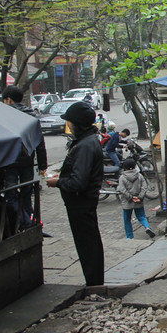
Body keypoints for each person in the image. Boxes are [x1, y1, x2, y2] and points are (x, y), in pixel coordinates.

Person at [45, 101, 105, 286]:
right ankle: (94, 281)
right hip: (81, 202)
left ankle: (94, 283)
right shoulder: (85, 142)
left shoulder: (85, 146)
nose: (68, 125)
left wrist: (58, 182)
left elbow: (78, 182)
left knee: (88, 244)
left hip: (81, 202)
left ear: (77, 123)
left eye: (69, 122)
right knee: (88, 242)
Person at [1, 86, 48, 229]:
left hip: (11, 162)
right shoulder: (31, 116)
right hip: (28, 161)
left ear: (8, 100)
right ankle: (29, 221)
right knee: (26, 193)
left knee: (11, 194)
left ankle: (25, 221)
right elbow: (39, 141)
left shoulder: (5, 115)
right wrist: (42, 165)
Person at [117, 157, 156, 240]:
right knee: (141, 216)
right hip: (139, 200)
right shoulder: (139, 175)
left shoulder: (122, 178)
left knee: (127, 220)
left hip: (127, 202)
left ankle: (130, 237)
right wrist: (140, 197)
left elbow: (122, 190)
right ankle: (147, 227)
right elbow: (144, 187)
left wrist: (131, 198)